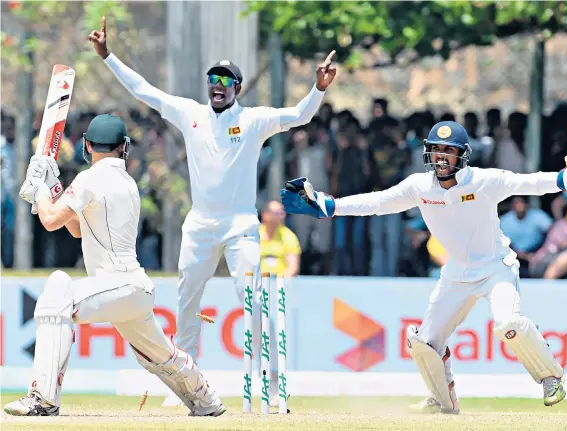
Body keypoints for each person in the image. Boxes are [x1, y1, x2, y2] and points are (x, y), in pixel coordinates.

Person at [88, 16, 336, 407]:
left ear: (237, 88)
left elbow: (300, 116)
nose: (217, 87)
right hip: (200, 225)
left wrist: (318, 89)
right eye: (213, 81)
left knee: (255, 302)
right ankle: (186, 387)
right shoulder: (190, 113)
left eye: (225, 82)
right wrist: (108, 56)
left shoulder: (253, 120)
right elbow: (145, 91)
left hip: (240, 226)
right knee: (187, 305)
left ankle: (273, 390)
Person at [281, 120, 567, 413]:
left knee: (509, 324)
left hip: (496, 268)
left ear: (462, 155)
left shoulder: (485, 181)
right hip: (457, 273)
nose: (440, 157)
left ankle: (550, 377)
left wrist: (566, 179)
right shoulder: (419, 187)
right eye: (435, 150)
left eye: (448, 151)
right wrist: (330, 206)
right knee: (424, 342)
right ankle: (442, 400)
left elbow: (531, 183)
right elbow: (378, 203)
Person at [4, 114, 225, 417]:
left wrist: (40, 191)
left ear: (86, 145)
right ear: (124, 147)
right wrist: (52, 188)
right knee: (160, 355)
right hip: (133, 289)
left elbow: (51, 220)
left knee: (57, 293)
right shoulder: (126, 182)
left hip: (115, 285)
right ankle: (207, 400)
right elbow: (78, 228)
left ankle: (43, 399)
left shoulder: (89, 179)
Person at [260, 200, 301, 278]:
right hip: (257, 281)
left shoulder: (289, 236)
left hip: (281, 282)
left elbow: (293, 268)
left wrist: (281, 284)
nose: (281, 216)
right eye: (276, 213)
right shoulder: (254, 235)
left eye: (282, 212)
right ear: (265, 215)